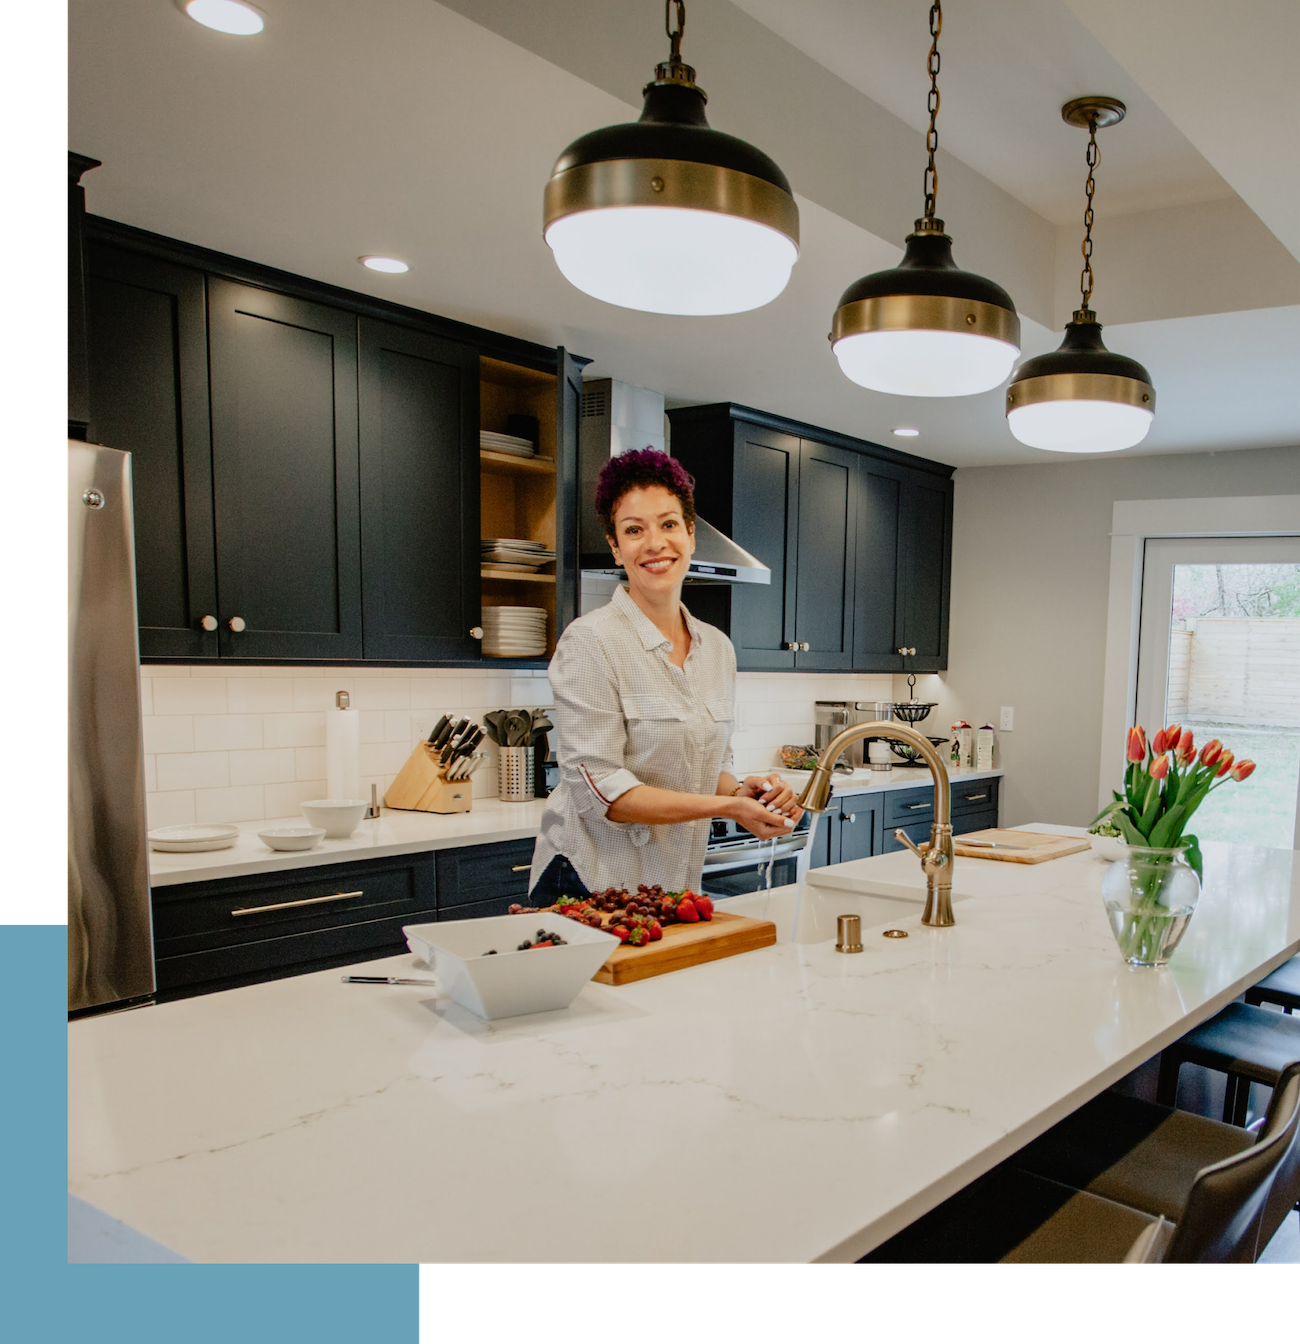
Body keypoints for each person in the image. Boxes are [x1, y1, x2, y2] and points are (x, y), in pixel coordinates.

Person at [528, 448, 802, 902]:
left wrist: (742, 790)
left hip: (670, 883)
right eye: (634, 530)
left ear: (691, 535)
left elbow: (707, 767)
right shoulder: (590, 643)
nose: (655, 543)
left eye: (668, 524)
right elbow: (605, 796)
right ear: (616, 547)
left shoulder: (717, 648)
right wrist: (728, 807)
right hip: (590, 883)